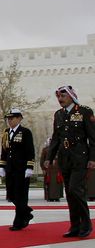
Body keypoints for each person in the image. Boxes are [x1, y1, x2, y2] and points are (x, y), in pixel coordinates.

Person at [44, 85, 95, 238]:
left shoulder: (84, 111)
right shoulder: (58, 114)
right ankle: (75, 226)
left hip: (80, 158)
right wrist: (49, 157)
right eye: (58, 97)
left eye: (63, 97)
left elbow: (93, 137)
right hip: (64, 159)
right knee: (69, 193)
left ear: (71, 96)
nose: (60, 100)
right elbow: (56, 138)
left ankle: (86, 224)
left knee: (75, 189)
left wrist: (93, 158)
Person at [0, 108, 35, 231]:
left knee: (21, 195)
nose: (9, 121)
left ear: (19, 118)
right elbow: (4, 151)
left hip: (21, 169)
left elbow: (30, 151)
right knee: (11, 195)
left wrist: (30, 167)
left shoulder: (25, 132)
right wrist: (2, 166)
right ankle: (26, 211)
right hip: (10, 169)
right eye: (8, 119)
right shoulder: (6, 132)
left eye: (12, 118)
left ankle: (19, 222)